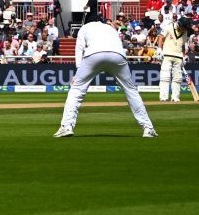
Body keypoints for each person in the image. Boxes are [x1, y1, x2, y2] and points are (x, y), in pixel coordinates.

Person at [56, 9, 156, 138]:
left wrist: (78, 71)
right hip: (118, 55)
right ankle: (148, 128)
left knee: (76, 90)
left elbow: (79, 49)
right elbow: (119, 46)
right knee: (131, 91)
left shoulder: (84, 27)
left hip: (94, 54)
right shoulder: (110, 29)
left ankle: (66, 126)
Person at [157, 13, 190, 103]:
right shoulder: (169, 27)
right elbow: (161, 37)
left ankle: (175, 97)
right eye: (184, 27)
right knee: (165, 76)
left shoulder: (185, 32)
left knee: (178, 78)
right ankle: (163, 97)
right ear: (179, 24)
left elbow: (182, 44)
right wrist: (159, 49)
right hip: (167, 55)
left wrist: (184, 55)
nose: (184, 29)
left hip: (178, 57)